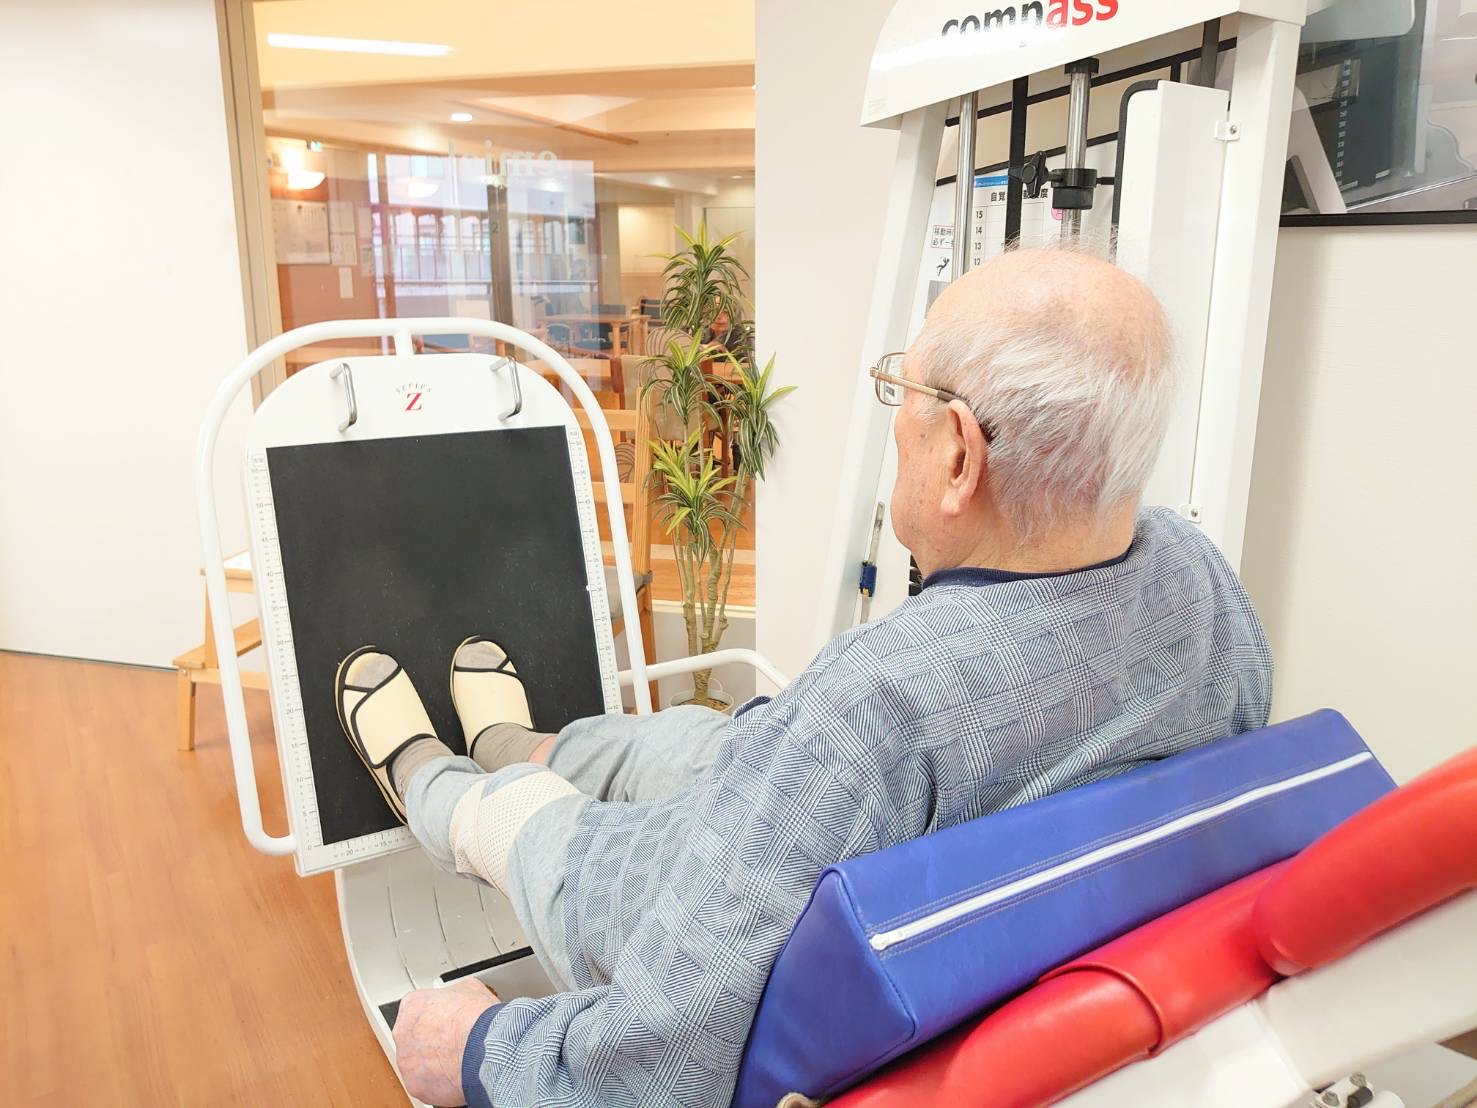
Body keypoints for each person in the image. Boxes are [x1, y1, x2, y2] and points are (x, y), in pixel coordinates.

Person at [334, 243, 1273, 1107]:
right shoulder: (1197, 582)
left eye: (901, 389)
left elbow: (661, 1062)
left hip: (683, 888)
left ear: (957, 453)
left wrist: (478, 1050)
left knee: (524, 816)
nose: (895, 418)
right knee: (695, 742)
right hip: (833, 827)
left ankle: (426, 772)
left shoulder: (879, 705)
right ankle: (514, 738)